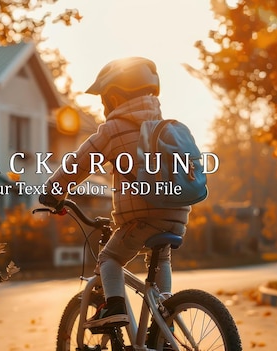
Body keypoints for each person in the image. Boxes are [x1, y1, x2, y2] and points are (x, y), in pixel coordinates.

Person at [40, 57, 190, 329]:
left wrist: (53, 189)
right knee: (161, 257)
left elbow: (79, 162)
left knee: (110, 258)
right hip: (178, 215)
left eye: (104, 99)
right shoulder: (166, 127)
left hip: (142, 218)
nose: (102, 106)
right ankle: (165, 317)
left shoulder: (113, 130)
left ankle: (115, 307)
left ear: (115, 97)